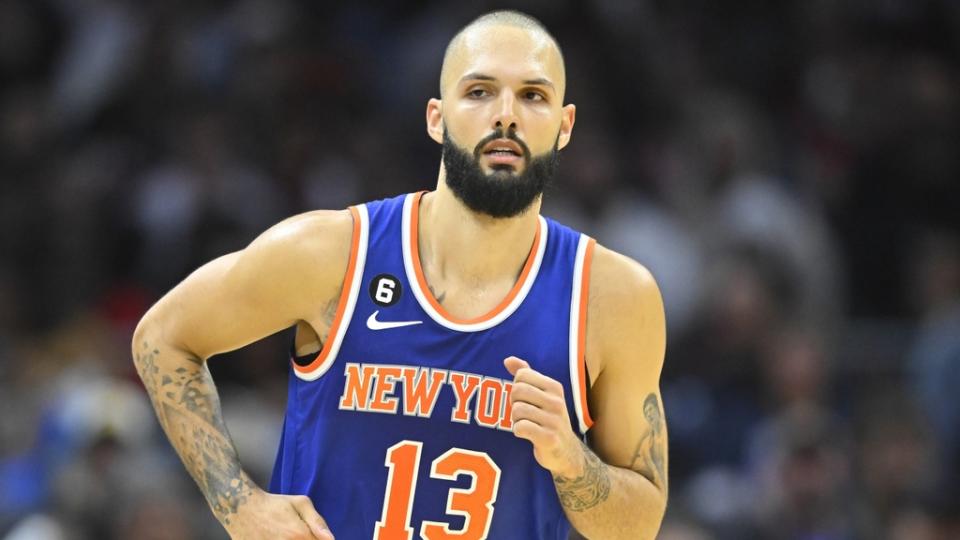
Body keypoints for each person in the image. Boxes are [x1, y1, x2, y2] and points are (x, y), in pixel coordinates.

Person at [132, 9, 668, 540]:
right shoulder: (333, 254)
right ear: (436, 116)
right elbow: (163, 337)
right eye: (479, 92)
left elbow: (639, 525)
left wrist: (573, 462)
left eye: (533, 95)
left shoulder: (612, 298)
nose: (506, 115)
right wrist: (238, 505)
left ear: (565, 125)